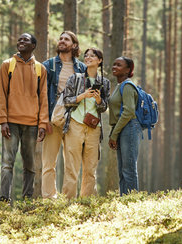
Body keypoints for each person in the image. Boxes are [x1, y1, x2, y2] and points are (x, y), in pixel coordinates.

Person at [0, 32, 48, 201]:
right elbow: (1, 94)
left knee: (30, 166)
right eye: (19, 39)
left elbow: (43, 98)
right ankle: (4, 199)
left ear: (33, 45)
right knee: (7, 164)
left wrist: (42, 124)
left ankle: (27, 200)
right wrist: (2, 121)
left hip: (32, 124)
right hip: (11, 122)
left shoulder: (41, 69)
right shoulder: (7, 65)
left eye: (25, 40)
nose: (21, 41)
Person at [41, 31, 86, 198]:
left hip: (75, 118)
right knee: (49, 162)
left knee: (72, 163)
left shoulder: (82, 68)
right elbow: (41, 94)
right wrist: (43, 119)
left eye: (66, 39)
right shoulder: (48, 65)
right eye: (60, 38)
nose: (62, 41)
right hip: (53, 118)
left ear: (74, 45)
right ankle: (49, 198)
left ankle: (69, 199)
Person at [61, 48, 110, 198]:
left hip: (94, 127)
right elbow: (66, 101)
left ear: (99, 60)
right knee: (71, 167)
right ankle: (68, 203)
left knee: (90, 168)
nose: (88, 58)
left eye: (92, 55)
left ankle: (87, 202)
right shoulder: (75, 78)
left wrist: (98, 100)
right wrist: (82, 96)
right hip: (75, 124)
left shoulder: (105, 82)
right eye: (86, 55)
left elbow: (104, 107)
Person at [108, 56, 142, 196]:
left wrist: (114, 134)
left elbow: (128, 111)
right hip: (121, 128)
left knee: (128, 169)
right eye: (114, 64)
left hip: (129, 128)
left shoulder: (127, 86)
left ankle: (132, 201)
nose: (114, 67)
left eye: (119, 65)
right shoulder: (119, 86)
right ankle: (124, 200)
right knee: (122, 169)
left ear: (128, 70)